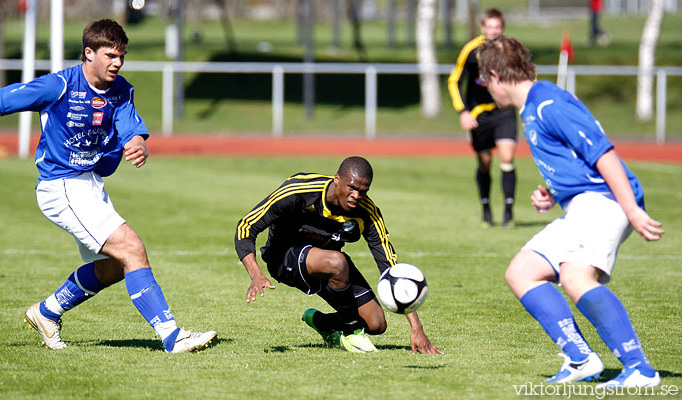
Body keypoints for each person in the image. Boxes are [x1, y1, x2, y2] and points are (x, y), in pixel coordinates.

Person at [0, 19, 216, 353]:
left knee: (114, 266)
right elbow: (0, 104)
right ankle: (171, 335)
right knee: (132, 247)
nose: (117, 63)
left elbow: (130, 128)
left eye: (121, 56)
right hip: (60, 185)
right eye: (110, 55)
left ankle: (47, 312)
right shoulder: (59, 86)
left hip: (90, 185)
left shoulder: (120, 89)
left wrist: (138, 143)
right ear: (88, 53)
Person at [478, 36, 664, 388]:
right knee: (522, 272)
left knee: (576, 277)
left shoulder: (549, 104)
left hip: (605, 201)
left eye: (484, 82)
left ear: (494, 75)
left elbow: (603, 155)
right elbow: (572, 159)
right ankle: (581, 358)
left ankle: (639, 369)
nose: (486, 89)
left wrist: (633, 212)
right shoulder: (533, 105)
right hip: (582, 203)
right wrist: (552, 191)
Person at [234, 156, 443, 354]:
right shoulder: (297, 192)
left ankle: (323, 323)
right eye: (352, 188)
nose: (356, 196)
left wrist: (417, 328)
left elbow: (391, 268)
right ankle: (352, 333)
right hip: (283, 257)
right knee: (337, 261)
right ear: (337, 180)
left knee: (376, 323)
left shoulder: (367, 212)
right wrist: (255, 274)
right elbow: (246, 226)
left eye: (363, 191)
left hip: (329, 263)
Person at [447, 8, 518, 228]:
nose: (494, 31)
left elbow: (526, 77)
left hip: (504, 111)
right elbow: (454, 81)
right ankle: (486, 209)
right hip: (479, 115)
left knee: (507, 158)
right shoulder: (471, 50)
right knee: (485, 163)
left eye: (498, 27)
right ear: (482, 28)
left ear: (502, 28)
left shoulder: (510, 50)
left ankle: (508, 212)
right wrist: (463, 111)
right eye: (490, 27)